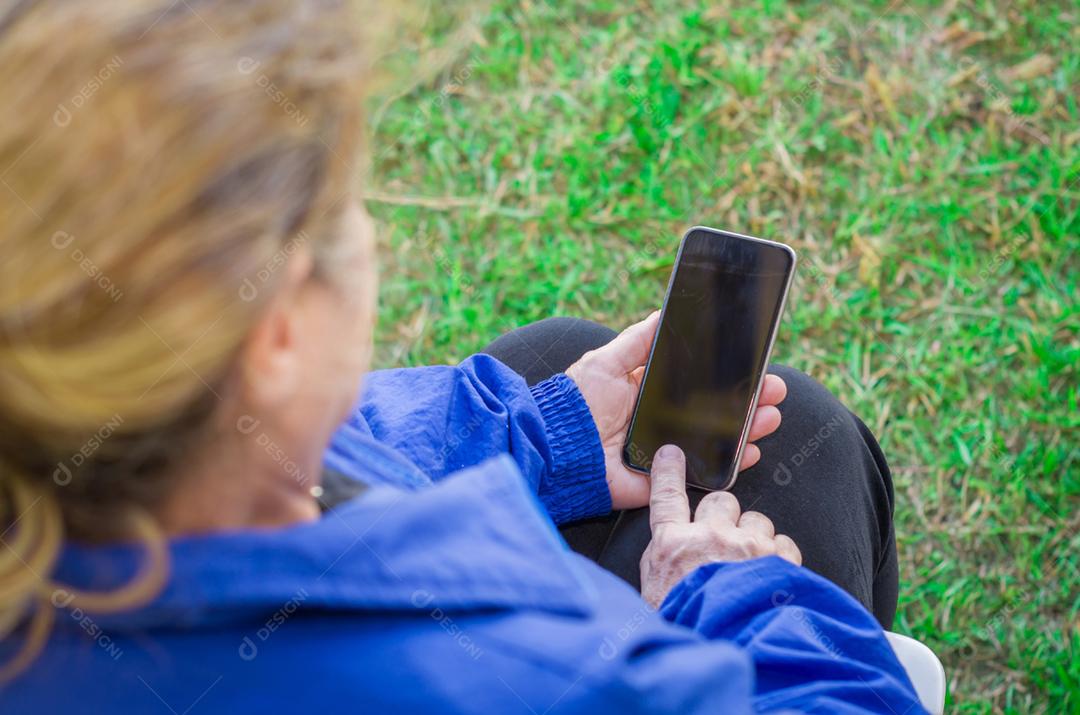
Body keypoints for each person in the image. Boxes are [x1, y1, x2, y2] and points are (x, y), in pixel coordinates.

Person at [0, 1, 922, 712]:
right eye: (350, 212)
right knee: (813, 442)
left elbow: (341, 445)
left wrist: (538, 434)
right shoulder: (534, 684)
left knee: (558, 357)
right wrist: (735, 594)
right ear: (278, 331)